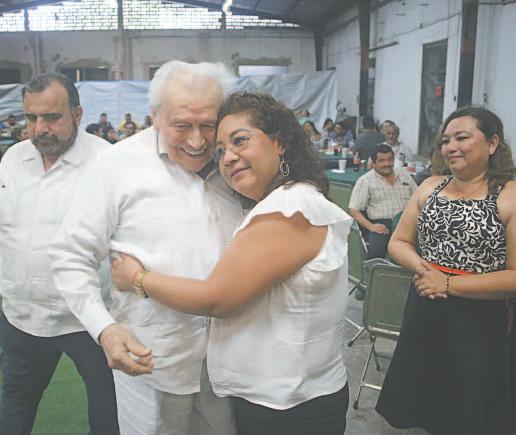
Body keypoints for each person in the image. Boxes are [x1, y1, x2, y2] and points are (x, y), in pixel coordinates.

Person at [111, 91, 353, 435]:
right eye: (221, 150)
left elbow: (217, 298)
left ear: (280, 143)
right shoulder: (288, 202)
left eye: (240, 141)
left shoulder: (288, 209)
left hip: (288, 408)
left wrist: (137, 278)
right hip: (288, 398)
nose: (228, 158)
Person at [48, 60, 242, 435]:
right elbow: (70, 255)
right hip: (152, 362)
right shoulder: (116, 165)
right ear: (154, 116)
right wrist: (105, 329)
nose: (197, 141)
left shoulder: (237, 164)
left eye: (209, 125)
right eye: (182, 126)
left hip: (232, 364)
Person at [376, 106, 516, 435]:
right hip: (426, 309)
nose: (451, 146)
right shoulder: (430, 187)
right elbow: (398, 242)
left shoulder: (508, 196)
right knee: (427, 401)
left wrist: (449, 284)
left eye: (461, 137)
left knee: (470, 408)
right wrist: (423, 269)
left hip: (479, 322)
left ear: (492, 143)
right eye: (445, 140)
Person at [0, 73, 118, 435]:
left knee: (108, 412)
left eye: (52, 118)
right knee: (15, 405)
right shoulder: (14, 158)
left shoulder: (108, 162)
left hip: (90, 320)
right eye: (31, 118)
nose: (39, 129)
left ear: (78, 114)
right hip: (21, 317)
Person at [349, 144, 417, 262]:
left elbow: (418, 197)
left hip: (406, 220)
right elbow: (354, 211)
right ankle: (374, 273)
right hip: (382, 223)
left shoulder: (404, 174)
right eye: (382, 161)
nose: (387, 164)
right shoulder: (365, 181)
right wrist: (371, 227)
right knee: (376, 252)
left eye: (390, 159)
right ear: (373, 163)